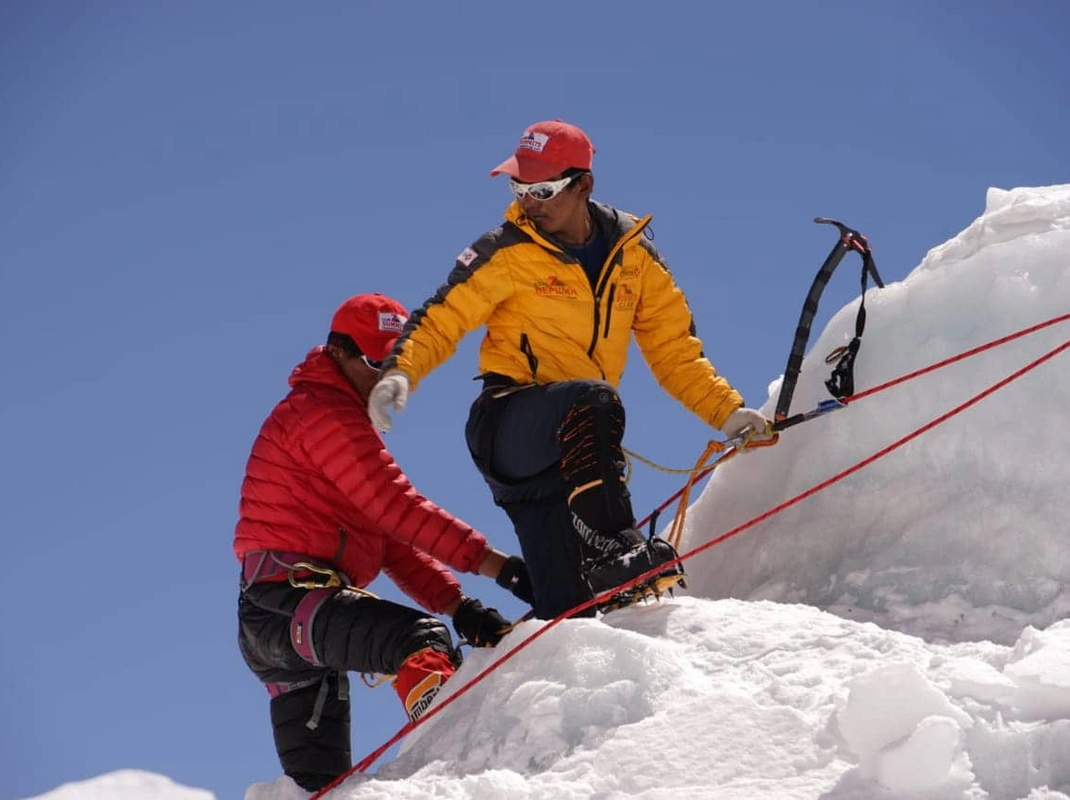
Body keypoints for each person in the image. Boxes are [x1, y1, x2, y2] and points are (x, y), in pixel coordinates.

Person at [365, 120, 775, 620]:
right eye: (519, 186)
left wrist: (730, 415)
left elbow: (674, 351)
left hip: (576, 460)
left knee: (572, 614)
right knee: (593, 399)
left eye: (541, 189)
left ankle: (592, 587)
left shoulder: (633, 256)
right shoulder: (506, 250)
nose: (528, 201)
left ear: (583, 185)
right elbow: (442, 318)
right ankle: (613, 544)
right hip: (511, 426)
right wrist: (400, 372)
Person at [234, 292, 533, 793]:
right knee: (420, 642)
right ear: (338, 353)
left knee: (322, 787)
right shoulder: (323, 413)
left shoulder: (328, 416)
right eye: (374, 362)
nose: (384, 377)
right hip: (289, 603)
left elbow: (390, 540)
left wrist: (461, 607)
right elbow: (398, 507)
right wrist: (503, 568)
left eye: (395, 363)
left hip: (277, 618)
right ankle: (451, 762)